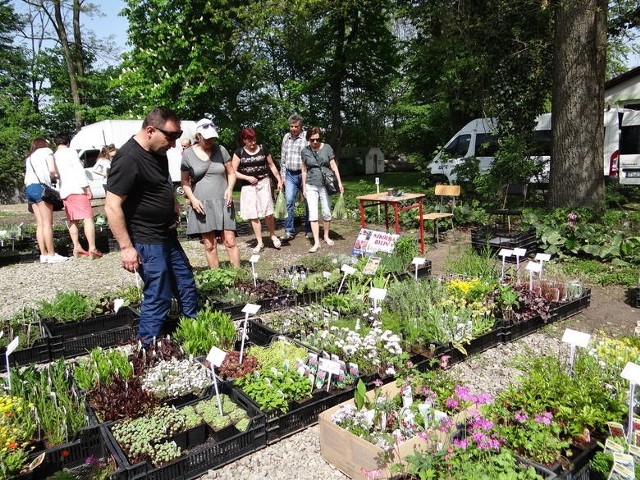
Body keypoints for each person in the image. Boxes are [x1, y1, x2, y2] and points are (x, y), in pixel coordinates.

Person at [105, 106, 198, 342]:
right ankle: (148, 347)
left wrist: (173, 202)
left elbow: (161, 182)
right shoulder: (128, 159)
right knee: (158, 293)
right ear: (149, 130)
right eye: (170, 137)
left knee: (185, 282)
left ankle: (194, 334)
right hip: (146, 238)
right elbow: (112, 205)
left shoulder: (158, 152)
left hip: (166, 234)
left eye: (177, 137)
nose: (174, 143)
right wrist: (126, 248)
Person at [180, 118, 240, 268]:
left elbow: (231, 173)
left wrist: (230, 188)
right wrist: (193, 199)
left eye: (212, 137)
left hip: (223, 201)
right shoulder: (188, 154)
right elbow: (185, 182)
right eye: (207, 138)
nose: (210, 140)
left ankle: (238, 277)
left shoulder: (221, 150)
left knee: (230, 241)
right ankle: (217, 276)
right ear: (198, 136)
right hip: (202, 204)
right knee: (209, 244)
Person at [232, 127, 284, 253]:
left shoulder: (263, 149)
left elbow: (271, 164)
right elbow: (233, 171)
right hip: (248, 187)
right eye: (249, 141)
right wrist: (247, 178)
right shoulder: (239, 153)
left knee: (268, 211)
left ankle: (272, 235)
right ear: (244, 140)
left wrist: (279, 179)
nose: (253, 143)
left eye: (254, 139)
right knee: (253, 214)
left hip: (264, 183)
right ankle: (259, 242)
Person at [53, 134, 101, 259]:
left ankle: (77, 247)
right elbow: (79, 170)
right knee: (87, 218)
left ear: (55, 144)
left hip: (64, 191)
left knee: (72, 220)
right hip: (77, 189)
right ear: (68, 142)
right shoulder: (71, 152)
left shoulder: (54, 156)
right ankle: (92, 248)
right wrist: (86, 187)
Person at [23, 138, 69, 264]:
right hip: (40, 188)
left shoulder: (29, 157)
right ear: (45, 144)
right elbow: (52, 170)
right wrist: (56, 177)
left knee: (40, 224)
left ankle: (43, 254)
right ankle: (52, 254)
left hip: (29, 188)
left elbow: (25, 179)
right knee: (48, 223)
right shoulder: (47, 151)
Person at [301, 126, 344, 253]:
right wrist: (304, 187)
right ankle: (316, 242)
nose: (315, 142)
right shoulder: (305, 151)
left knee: (326, 212)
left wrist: (339, 183)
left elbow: (334, 166)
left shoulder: (327, 148)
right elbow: (303, 170)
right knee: (313, 214)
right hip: (311, 184)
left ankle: (326, 235)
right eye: (312, 140)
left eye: (317, 139)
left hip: (326, 184)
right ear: (308, 139)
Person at [280, 113, 310, 241]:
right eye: (291, 126)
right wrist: (282, 177)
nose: (293, 129)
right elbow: (283, 158)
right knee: (289, 202)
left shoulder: (306, 137)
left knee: (308, 202)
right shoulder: (286, 137)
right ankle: (289, 231)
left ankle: (309, 229)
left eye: (296, 126)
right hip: (290, 174)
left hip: (305, 174)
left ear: (301, 126)